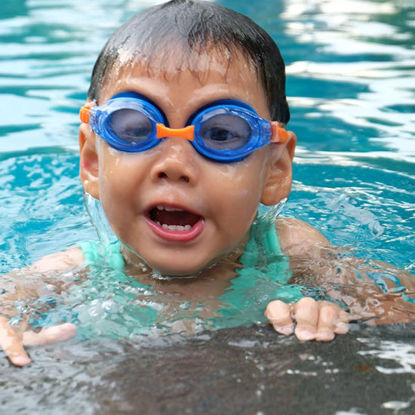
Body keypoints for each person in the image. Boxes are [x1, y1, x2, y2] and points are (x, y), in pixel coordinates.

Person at [1, 0, 413, 367]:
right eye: (135, 128)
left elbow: (399, 309)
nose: (175, 165)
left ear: (274, 172)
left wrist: (335, 317)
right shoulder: (73, 271)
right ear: (92, 160)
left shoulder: (291, 251)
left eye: (221, 134)